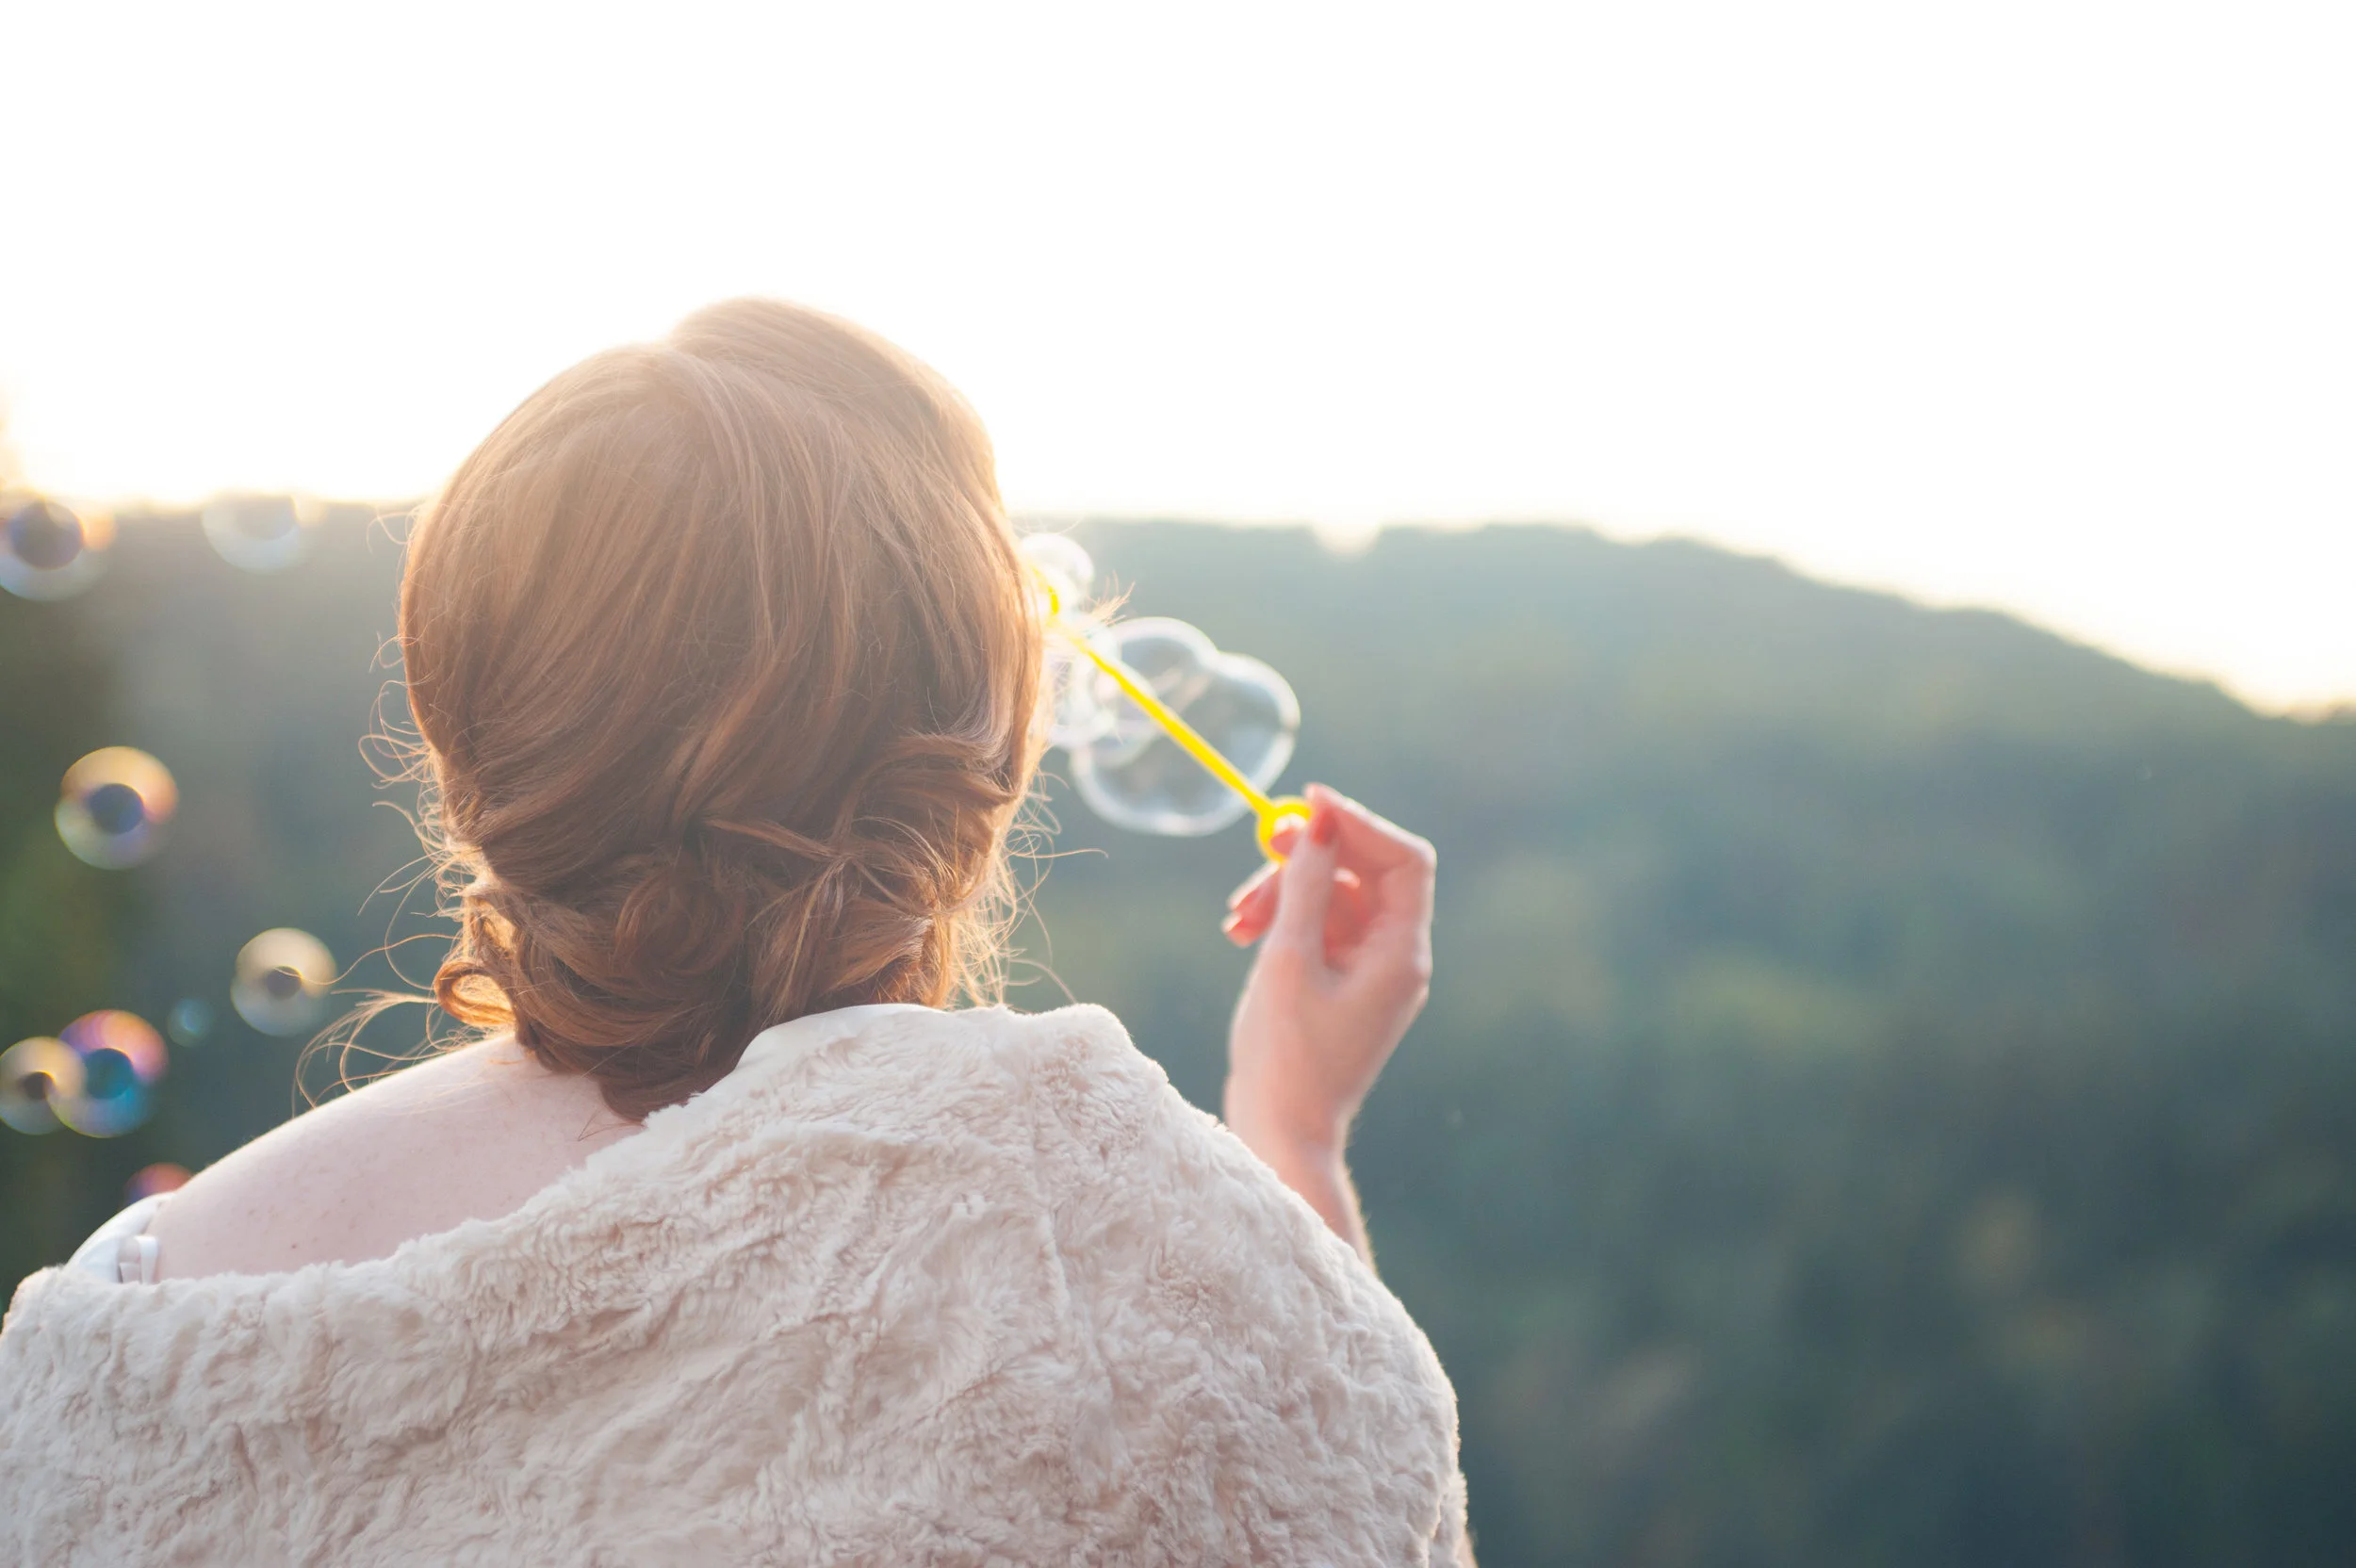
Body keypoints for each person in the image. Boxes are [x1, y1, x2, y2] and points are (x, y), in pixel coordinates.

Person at [0, 300, 1470, 1565]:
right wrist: (1297, 1136)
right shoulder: (1155, 1260)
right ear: (992, 746)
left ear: (466, 733)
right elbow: (1364, 1499)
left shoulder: (131, 1334)